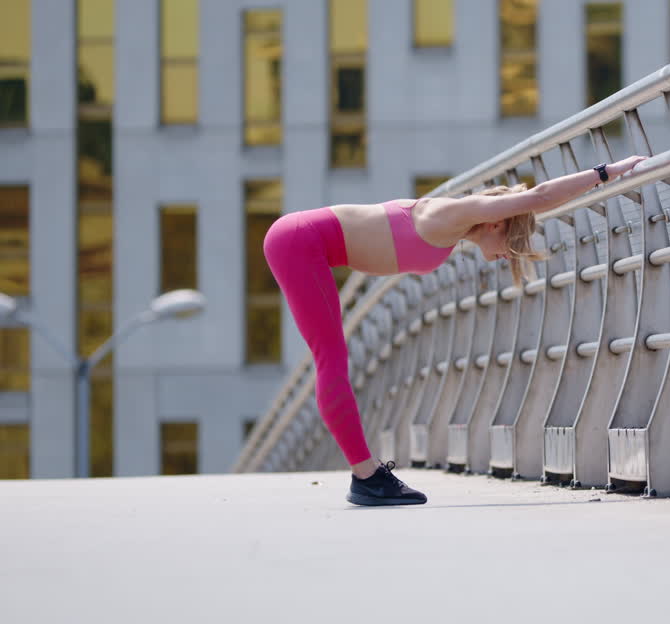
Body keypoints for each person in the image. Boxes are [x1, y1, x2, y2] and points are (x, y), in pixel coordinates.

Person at [262, 155, 647, 506]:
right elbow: (541, 195)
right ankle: (366, 476)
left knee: (333, 356)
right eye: (513, 242)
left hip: (304, 242)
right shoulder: (457, 212)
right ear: (496, 221)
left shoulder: (453, 232)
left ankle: (366, 476)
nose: (509, 253)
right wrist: (605, 174)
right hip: (299, 241)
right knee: (332, 358)